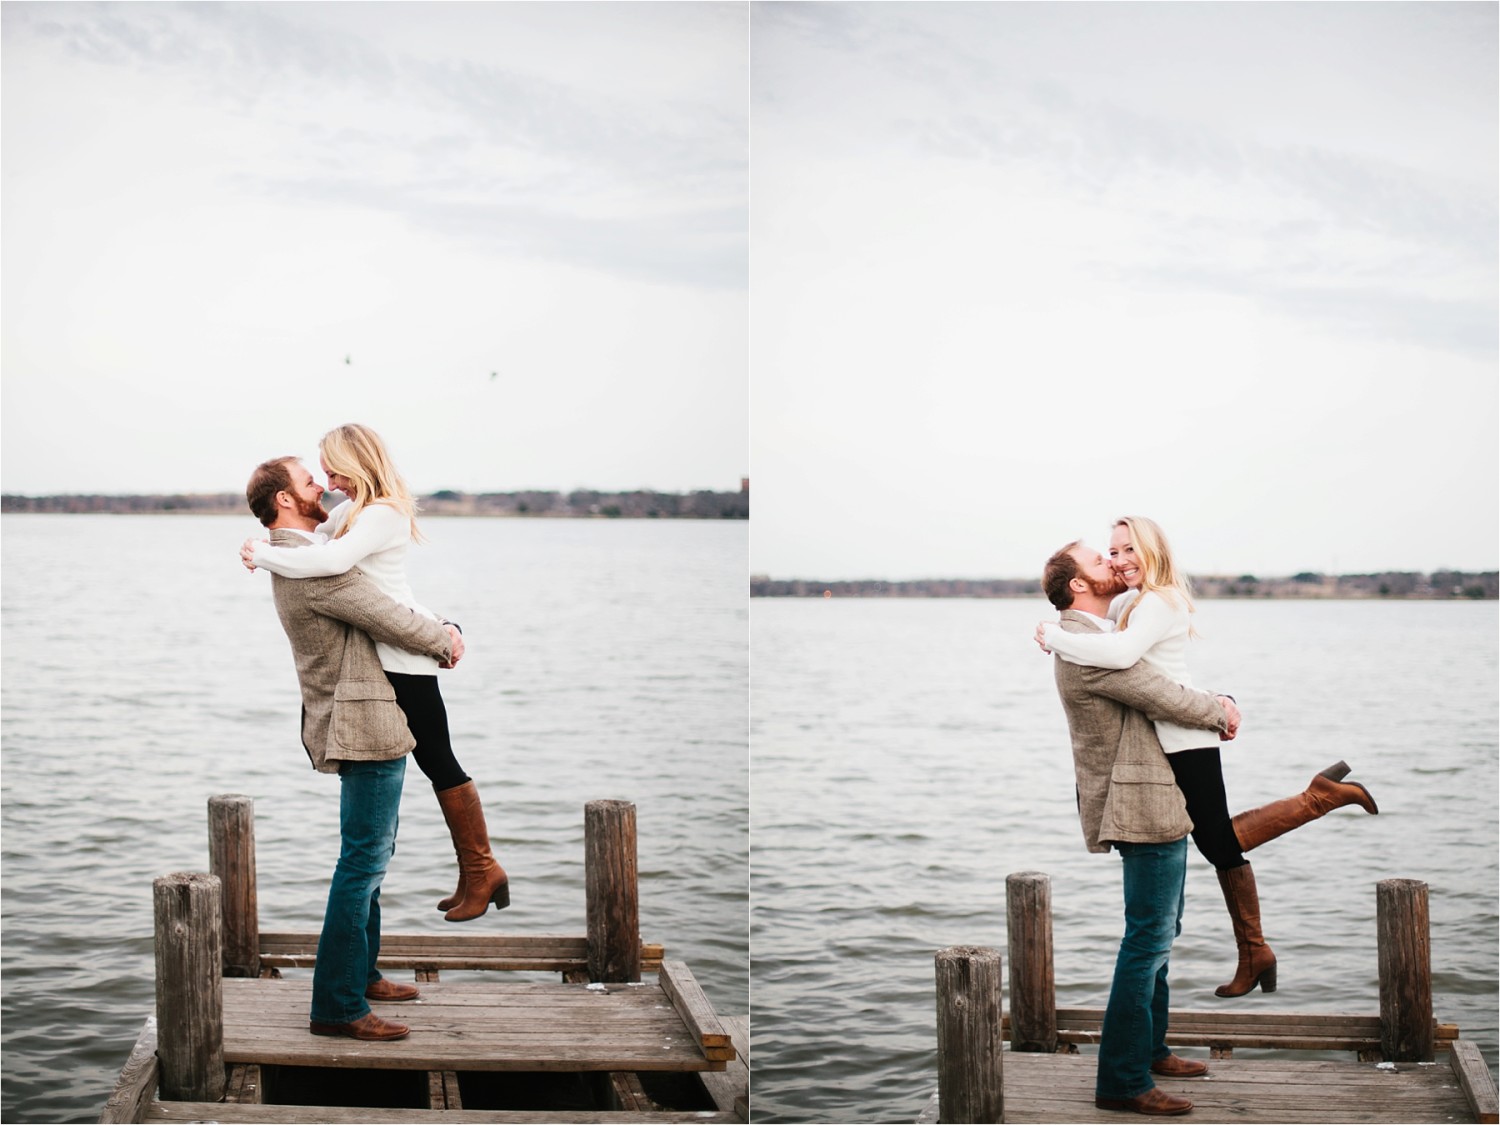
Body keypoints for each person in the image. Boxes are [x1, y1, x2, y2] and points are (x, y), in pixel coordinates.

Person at [1037, 517, 1378, 999]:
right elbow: (1159, 670)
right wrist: (1219, 700)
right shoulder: (1133, 602)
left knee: (1216, 841)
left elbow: (1124, 659)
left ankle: (1316, 802)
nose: (1117, 560)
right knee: (1218, 842)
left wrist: (1053, 636)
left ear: (1151, 550)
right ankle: (1255, 949)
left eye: (1125, 549)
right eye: (1109, 554)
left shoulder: (1157, 600)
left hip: (1184, 734)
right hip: (1177, 729)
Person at [241, 423, 509, 923]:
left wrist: (263, 554)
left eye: (332, 471)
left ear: (355, 462)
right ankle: (477, 870)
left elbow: (336, 565)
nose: (327, 482)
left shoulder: (383, 512)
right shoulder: (349, 514)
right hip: (392, 654)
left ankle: (481, 869)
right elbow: (316, 547)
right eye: (316, 478)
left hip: (405, 658)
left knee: (441, 761)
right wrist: (270, 547)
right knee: (436, 761)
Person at [245, 454, 465, 1041]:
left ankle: (362, 974)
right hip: (364, 724)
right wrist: (447, 638)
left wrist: (444, 623)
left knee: (370, 856)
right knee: (362, 862)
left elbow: (386, 596)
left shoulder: (303, 556)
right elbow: (385, 616)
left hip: (356, 718)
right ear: (286, 500)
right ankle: (338, 1007)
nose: (324, 486)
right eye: (311, 480)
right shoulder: (307, 565)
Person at [1041, 539, 1243, 1116]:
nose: (1114, 564)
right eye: (1099, 560)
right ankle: (1123, 1081)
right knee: (1147, 940)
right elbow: (1158, 694)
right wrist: (1221, 707)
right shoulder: (1083, 644)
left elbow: (1155, 683)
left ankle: (1151, 1049)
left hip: (1150, 800)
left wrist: (1213, 700)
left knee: (1160, 933)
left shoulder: (1098, 638)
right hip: (1140, 806)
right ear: (1078, 585)